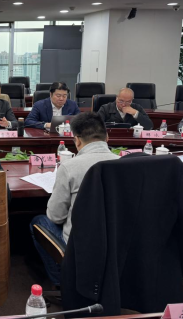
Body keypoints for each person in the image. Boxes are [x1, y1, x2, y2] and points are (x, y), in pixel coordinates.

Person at [30, 112, 118, 285]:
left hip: (80, 244)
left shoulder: (70, 167)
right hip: (115, 240)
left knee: (38, 221)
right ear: (107, 137)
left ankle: (62, 280)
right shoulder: (124, 163)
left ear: (77, 140)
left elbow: (55, 217)